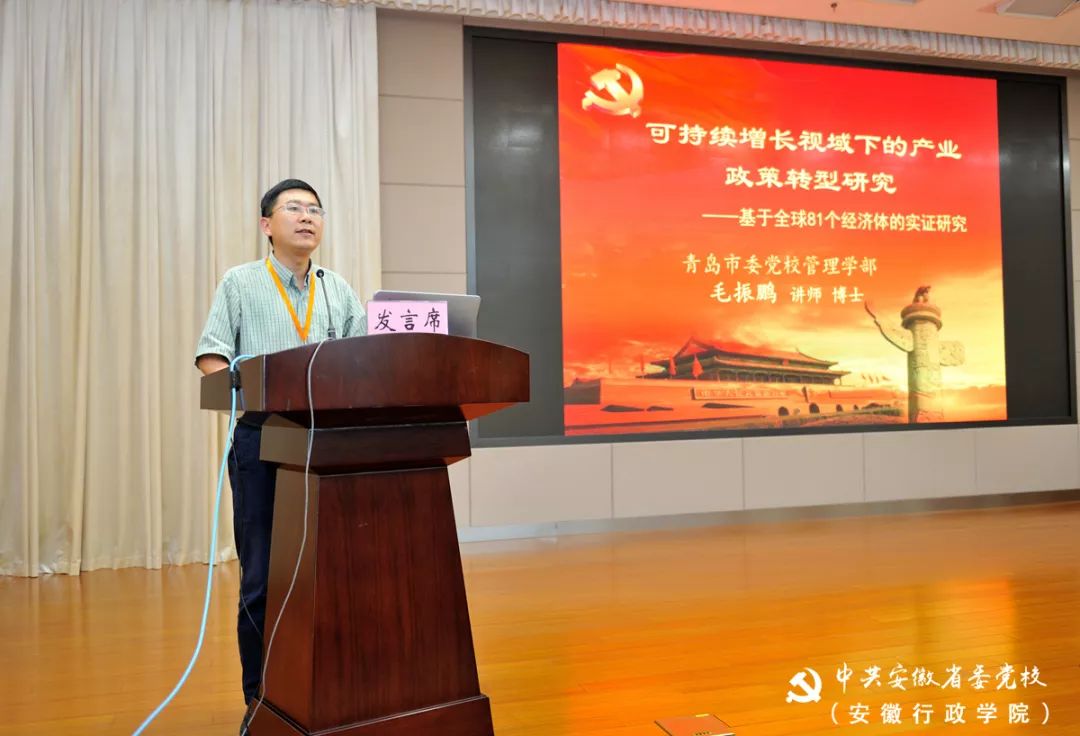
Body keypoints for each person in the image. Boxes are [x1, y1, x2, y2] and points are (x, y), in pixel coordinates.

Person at [195, 179, 367, 733]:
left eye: (315, 209)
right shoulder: (241, 282)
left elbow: (364, 360)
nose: (307, 217)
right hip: (262, 440)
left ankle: (328, 692)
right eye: (294, 208)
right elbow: (211, 356)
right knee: (264, 577)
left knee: (328, 575)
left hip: (328, 443)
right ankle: (261, 700)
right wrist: (241, 387)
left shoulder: (337, 289)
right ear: (267, 225)